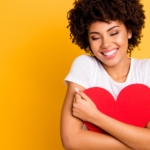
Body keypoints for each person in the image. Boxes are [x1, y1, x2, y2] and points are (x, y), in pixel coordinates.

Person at [60, 0, 150, 149]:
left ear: (129, 31)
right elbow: (71, 140)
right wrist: (138, 143)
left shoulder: (147, 70)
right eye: (95, 37)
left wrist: (95, 117)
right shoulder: (84, 66)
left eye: (114, 33)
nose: (106, 44)